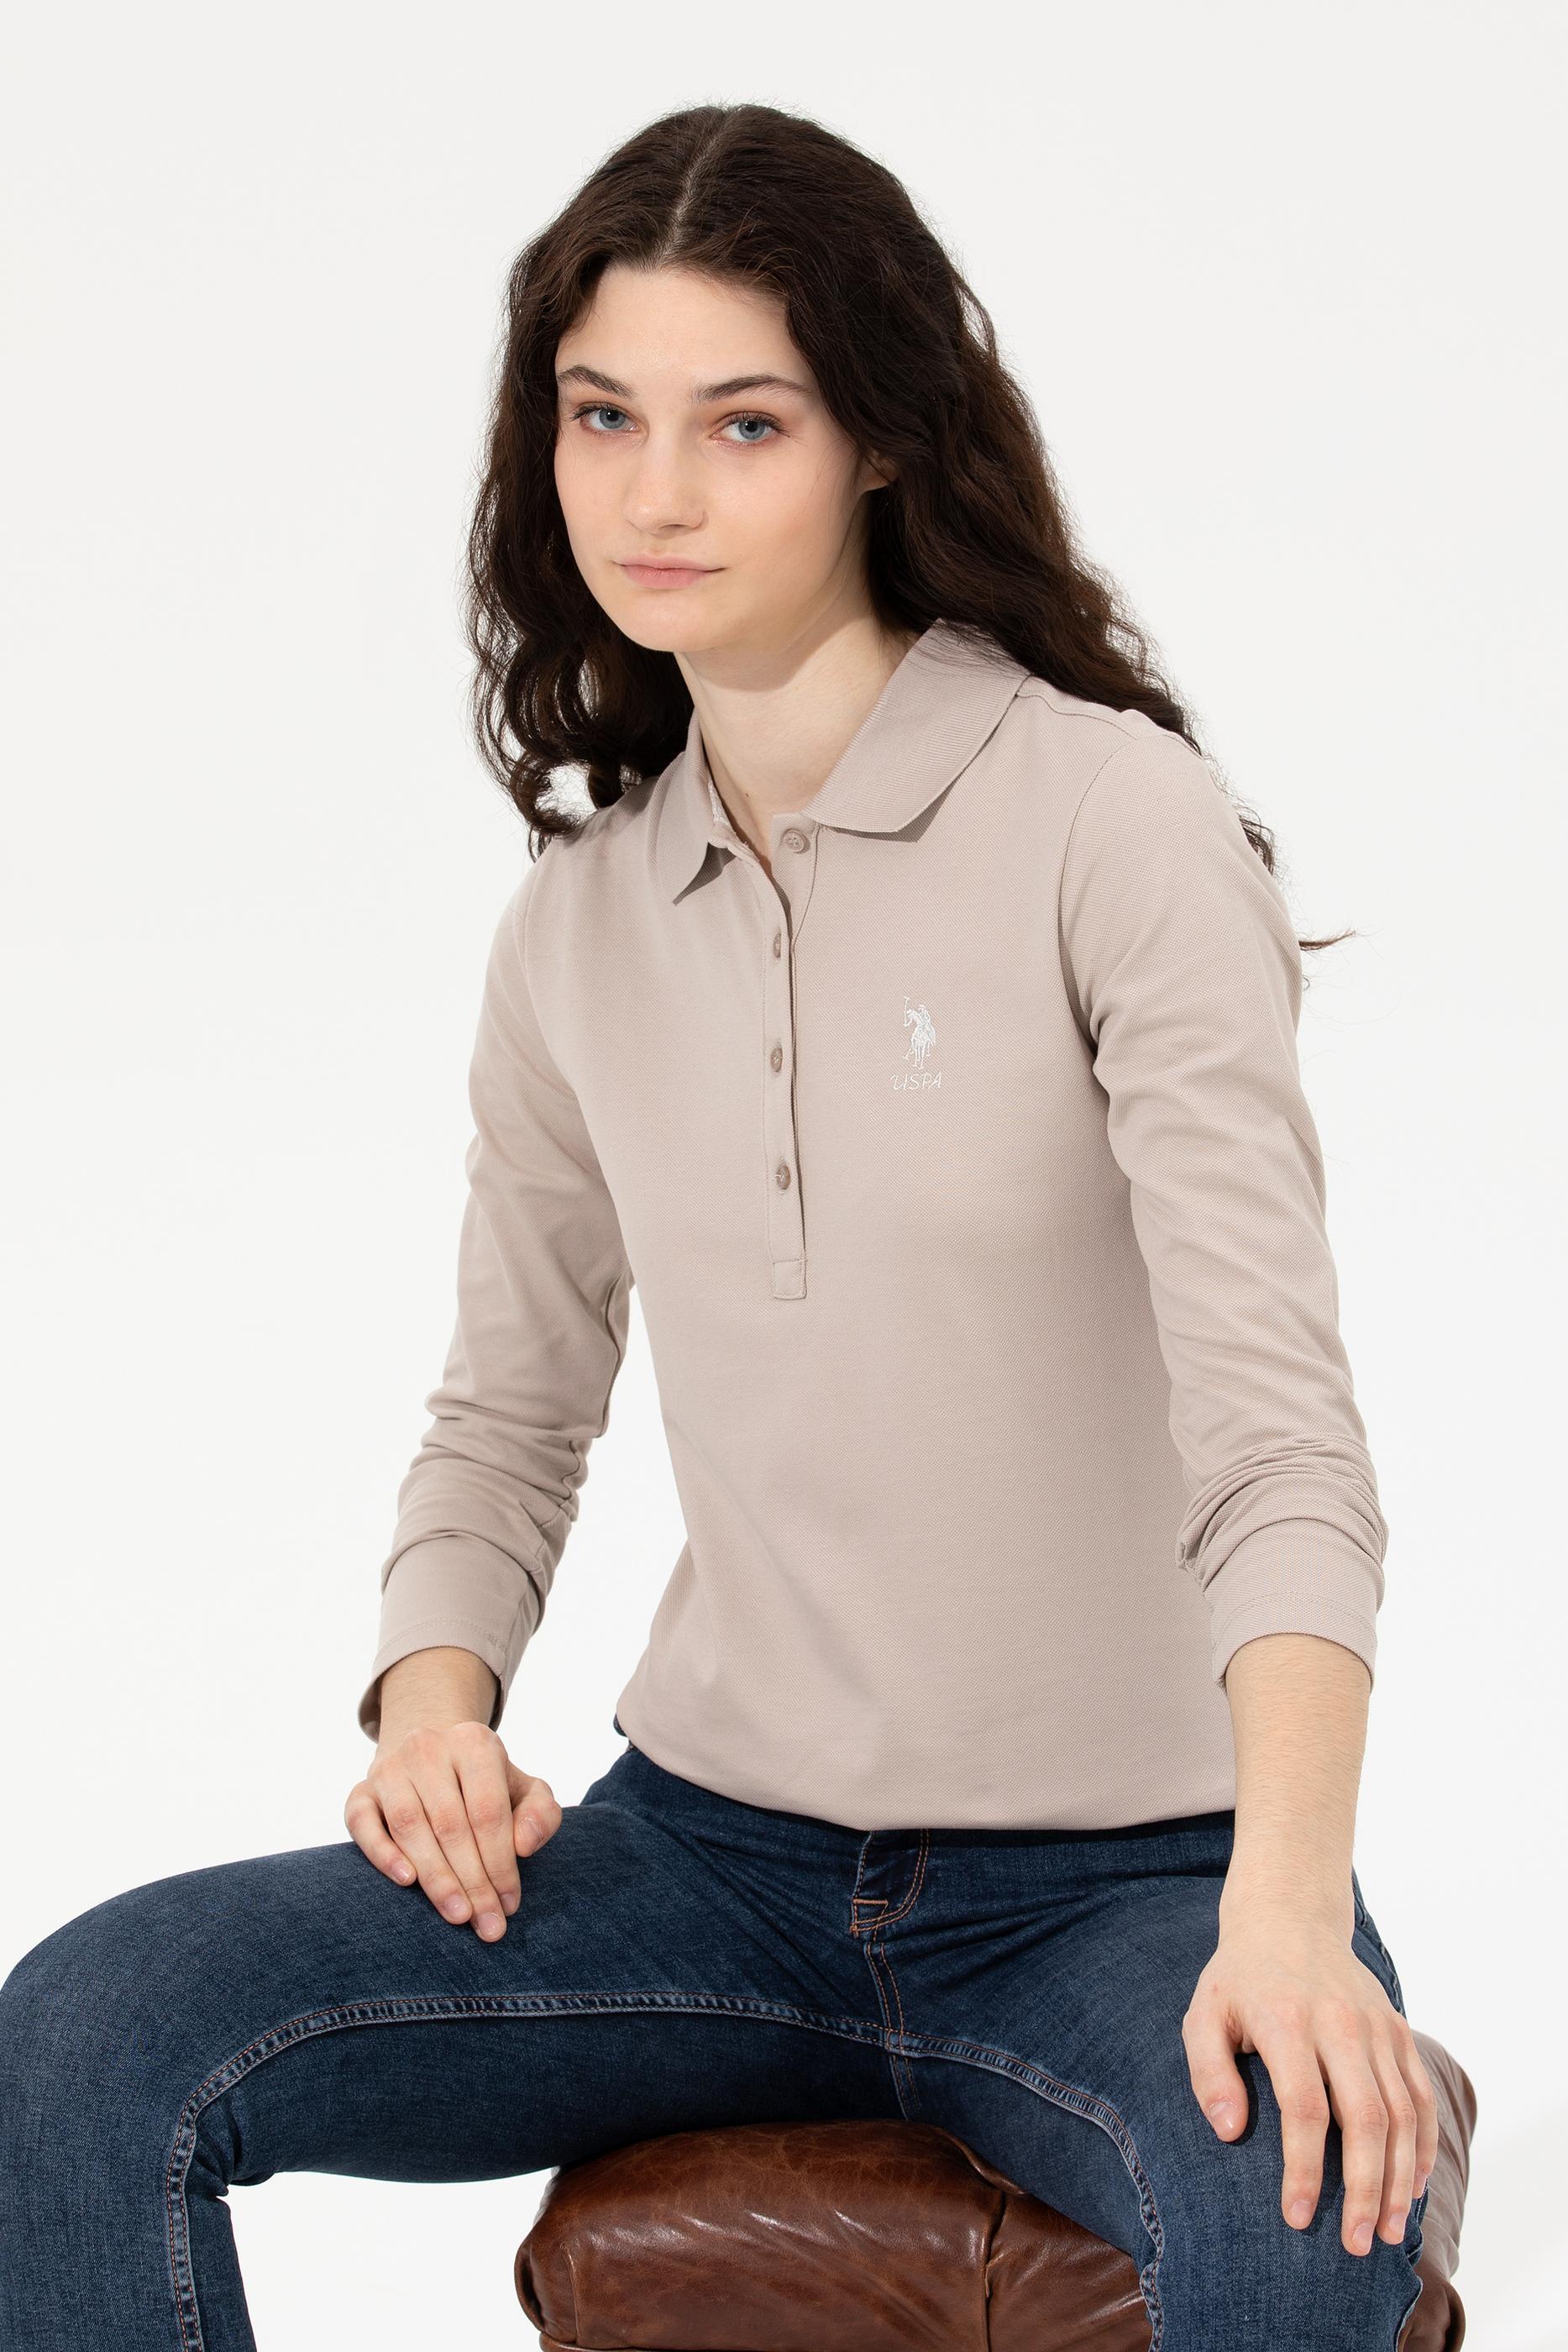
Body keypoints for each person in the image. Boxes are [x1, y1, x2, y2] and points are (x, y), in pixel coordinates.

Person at [0, 101, 1438, 2350]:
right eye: (604, 417)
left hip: (1137, 1885)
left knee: (1298, 2218)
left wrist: (1289, 1910)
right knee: (87, 2041)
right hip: (712, 1868)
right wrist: (436, 1707)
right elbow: (505, 1415)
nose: (653, 494)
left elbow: (1280, 1441)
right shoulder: (580, 925)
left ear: (879, 439)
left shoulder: (1110, 825)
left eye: (740, 423)